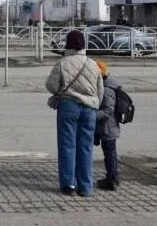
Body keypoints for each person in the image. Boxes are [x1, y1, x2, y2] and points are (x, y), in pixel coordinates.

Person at [45, 30, 103, 197]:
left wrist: (62, 91)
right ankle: (85, 187)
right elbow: (100, 90)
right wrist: (94, 104)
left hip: (68, 106)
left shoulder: (62, 63)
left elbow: (51, 85)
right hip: (89, 108)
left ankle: (69, 184)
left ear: (68, 44)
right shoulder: (92, 64)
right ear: (84, 44)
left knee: (67, 145)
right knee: (86, 147)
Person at [95, 60, 121, 191]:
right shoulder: (108, 85)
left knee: (110, 154)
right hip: (108, 127)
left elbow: (108, 110)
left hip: (108, 128)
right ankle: (112, 178)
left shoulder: (107, 89)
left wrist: (92, 115)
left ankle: (112, 180)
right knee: (110, 153)